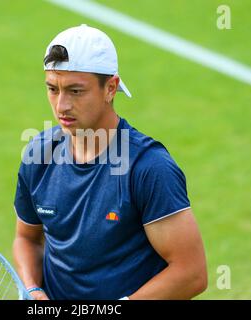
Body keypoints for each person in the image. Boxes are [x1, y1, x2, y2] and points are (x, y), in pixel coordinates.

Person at [13, 24, 207, 300]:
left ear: (110, 88)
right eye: (53, 89)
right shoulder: (39, 155)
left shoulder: (149, 168)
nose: (61, 106)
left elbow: (191, 274)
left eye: (76, 91)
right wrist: (33, 289)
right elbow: (27, 239)